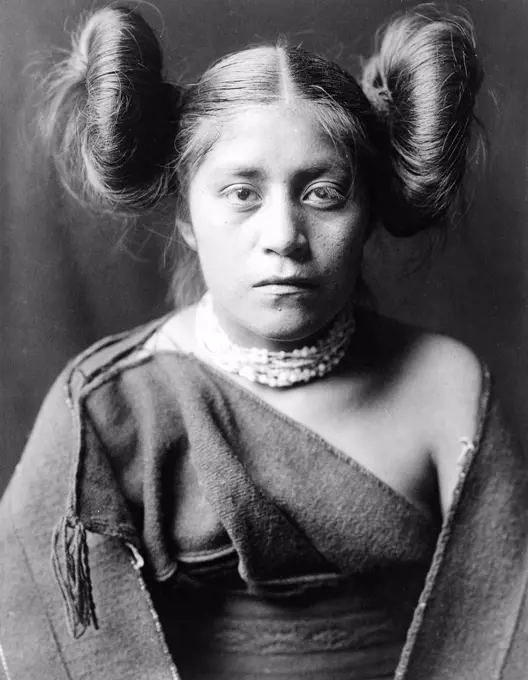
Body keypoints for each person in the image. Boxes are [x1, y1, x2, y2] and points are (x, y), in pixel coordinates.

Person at [1, 4, 527, 680]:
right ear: (188, 215)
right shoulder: (111, 407)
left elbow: (506, 630)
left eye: (324, 193)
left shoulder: (448, 387)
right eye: (242, 193)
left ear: (367, 213)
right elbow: (52, 644)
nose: (283, 234)